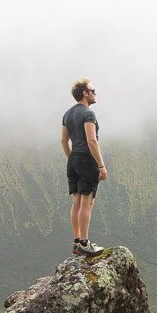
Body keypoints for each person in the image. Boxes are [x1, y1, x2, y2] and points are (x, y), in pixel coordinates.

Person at [61, 78, 109, 256]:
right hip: (86, 160)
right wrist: (101, 165)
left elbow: (64, 141)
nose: (95, 93)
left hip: (73, 159)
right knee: (87, 203)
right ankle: (85, 243)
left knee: (76, 202)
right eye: (93, 90)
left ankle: (76, 242)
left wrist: (72, 158)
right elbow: (91, 140)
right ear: (85, 93)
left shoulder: (67, 114)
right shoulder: (88, 114)